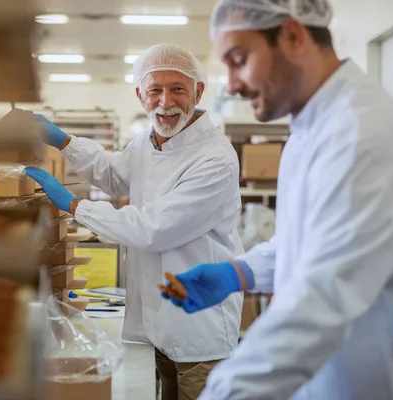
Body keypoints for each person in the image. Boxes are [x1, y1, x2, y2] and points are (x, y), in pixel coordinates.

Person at [159, 1, 393, 399]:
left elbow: (321, 299)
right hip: (327, 377)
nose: (233, 84)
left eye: (239, 60)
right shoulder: (308, 131)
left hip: (382, 381)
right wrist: (239, 272)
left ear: (293, 36)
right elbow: (312, 242)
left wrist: (222, 393)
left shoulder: (364, 138)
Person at [25, 44, 245, 400]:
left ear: (198, 92)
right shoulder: (148, 142)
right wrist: (63, 142)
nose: (165, 102)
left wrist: (75, 205)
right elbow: (114, 175)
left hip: (200, 328)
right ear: (140, 94)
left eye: (178, 89)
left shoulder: (214, 158)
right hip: (161, 318)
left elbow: (152, 228)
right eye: (155, 90)